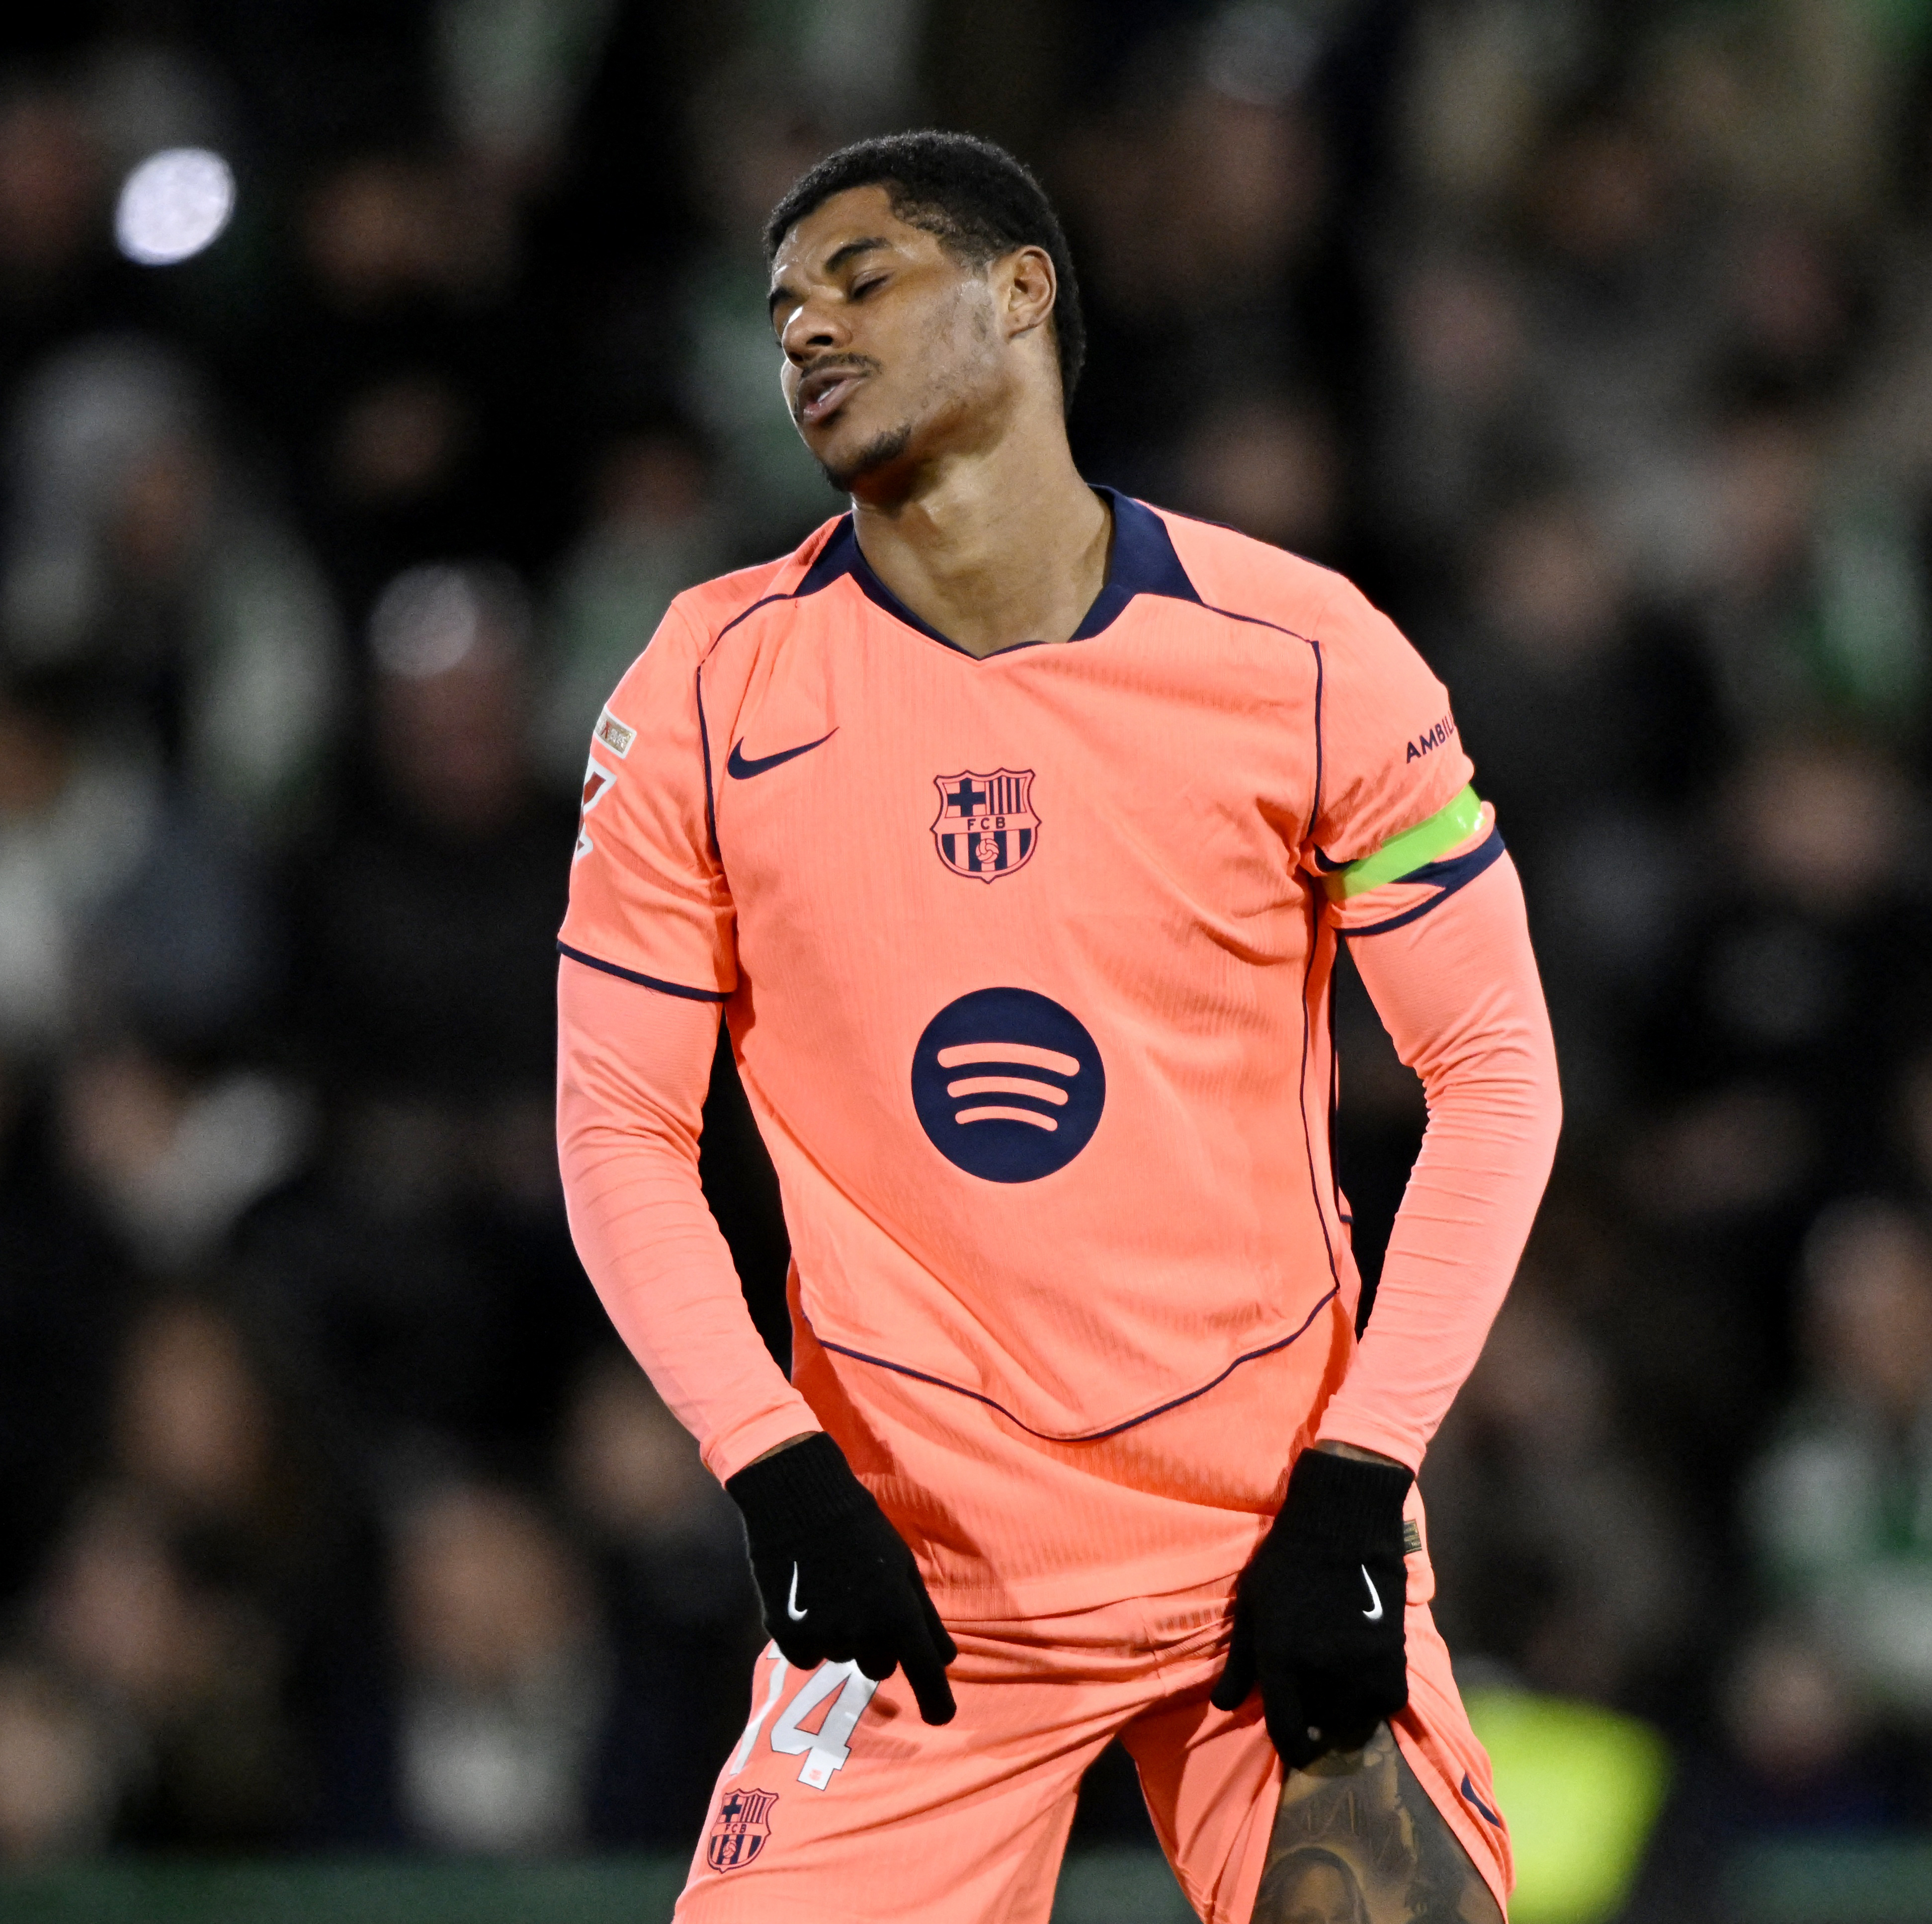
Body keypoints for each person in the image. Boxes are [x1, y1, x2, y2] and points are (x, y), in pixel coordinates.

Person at [553, 132, 1558, 1923]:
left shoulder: (1308, 655)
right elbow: (616, 1128)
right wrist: (772, 1471)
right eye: (781, 309)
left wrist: (1364, 1474)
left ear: (1021, 291)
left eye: (860, 281)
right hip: (920, 1571)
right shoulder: (701, 692)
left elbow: (1495, 1076)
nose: (806, 333)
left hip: (1269, 1533)